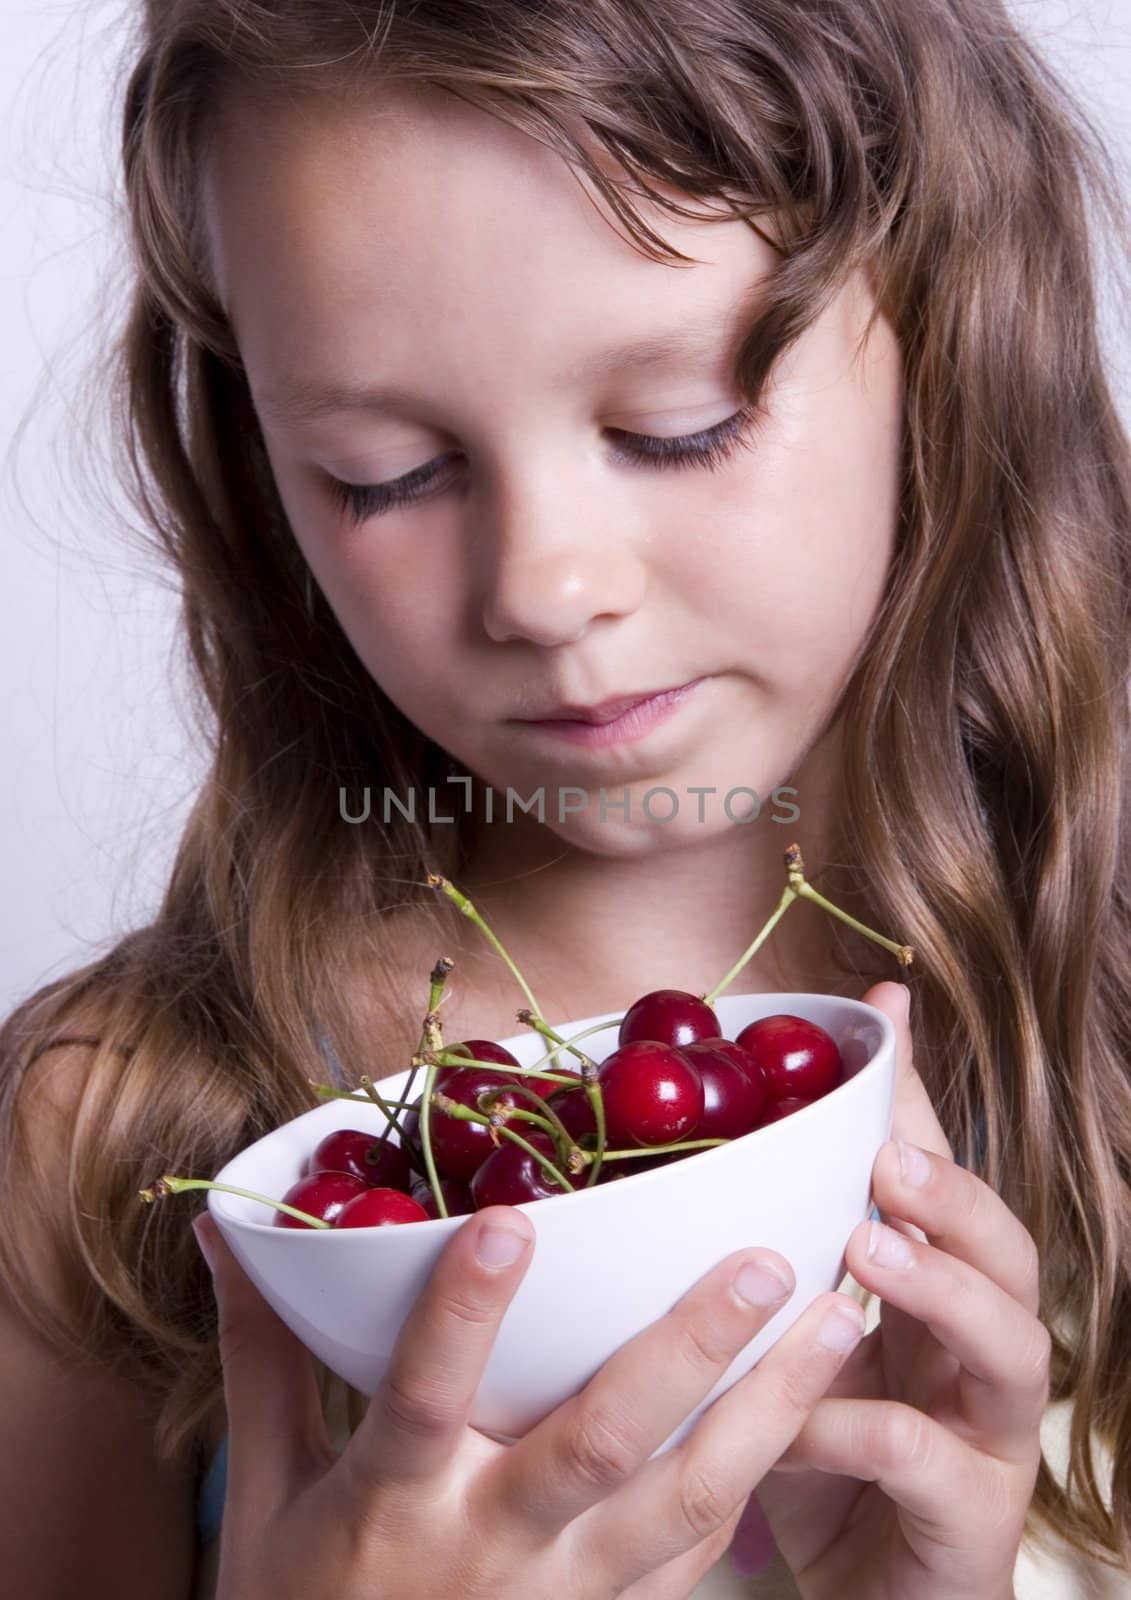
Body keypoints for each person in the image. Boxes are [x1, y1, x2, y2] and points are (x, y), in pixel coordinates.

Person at [1, 0, 1129, 1595]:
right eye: (385, 473)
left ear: (953, 341)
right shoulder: (103, 1140)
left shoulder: (1101, 1046)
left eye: (678, 426)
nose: (544, 585)